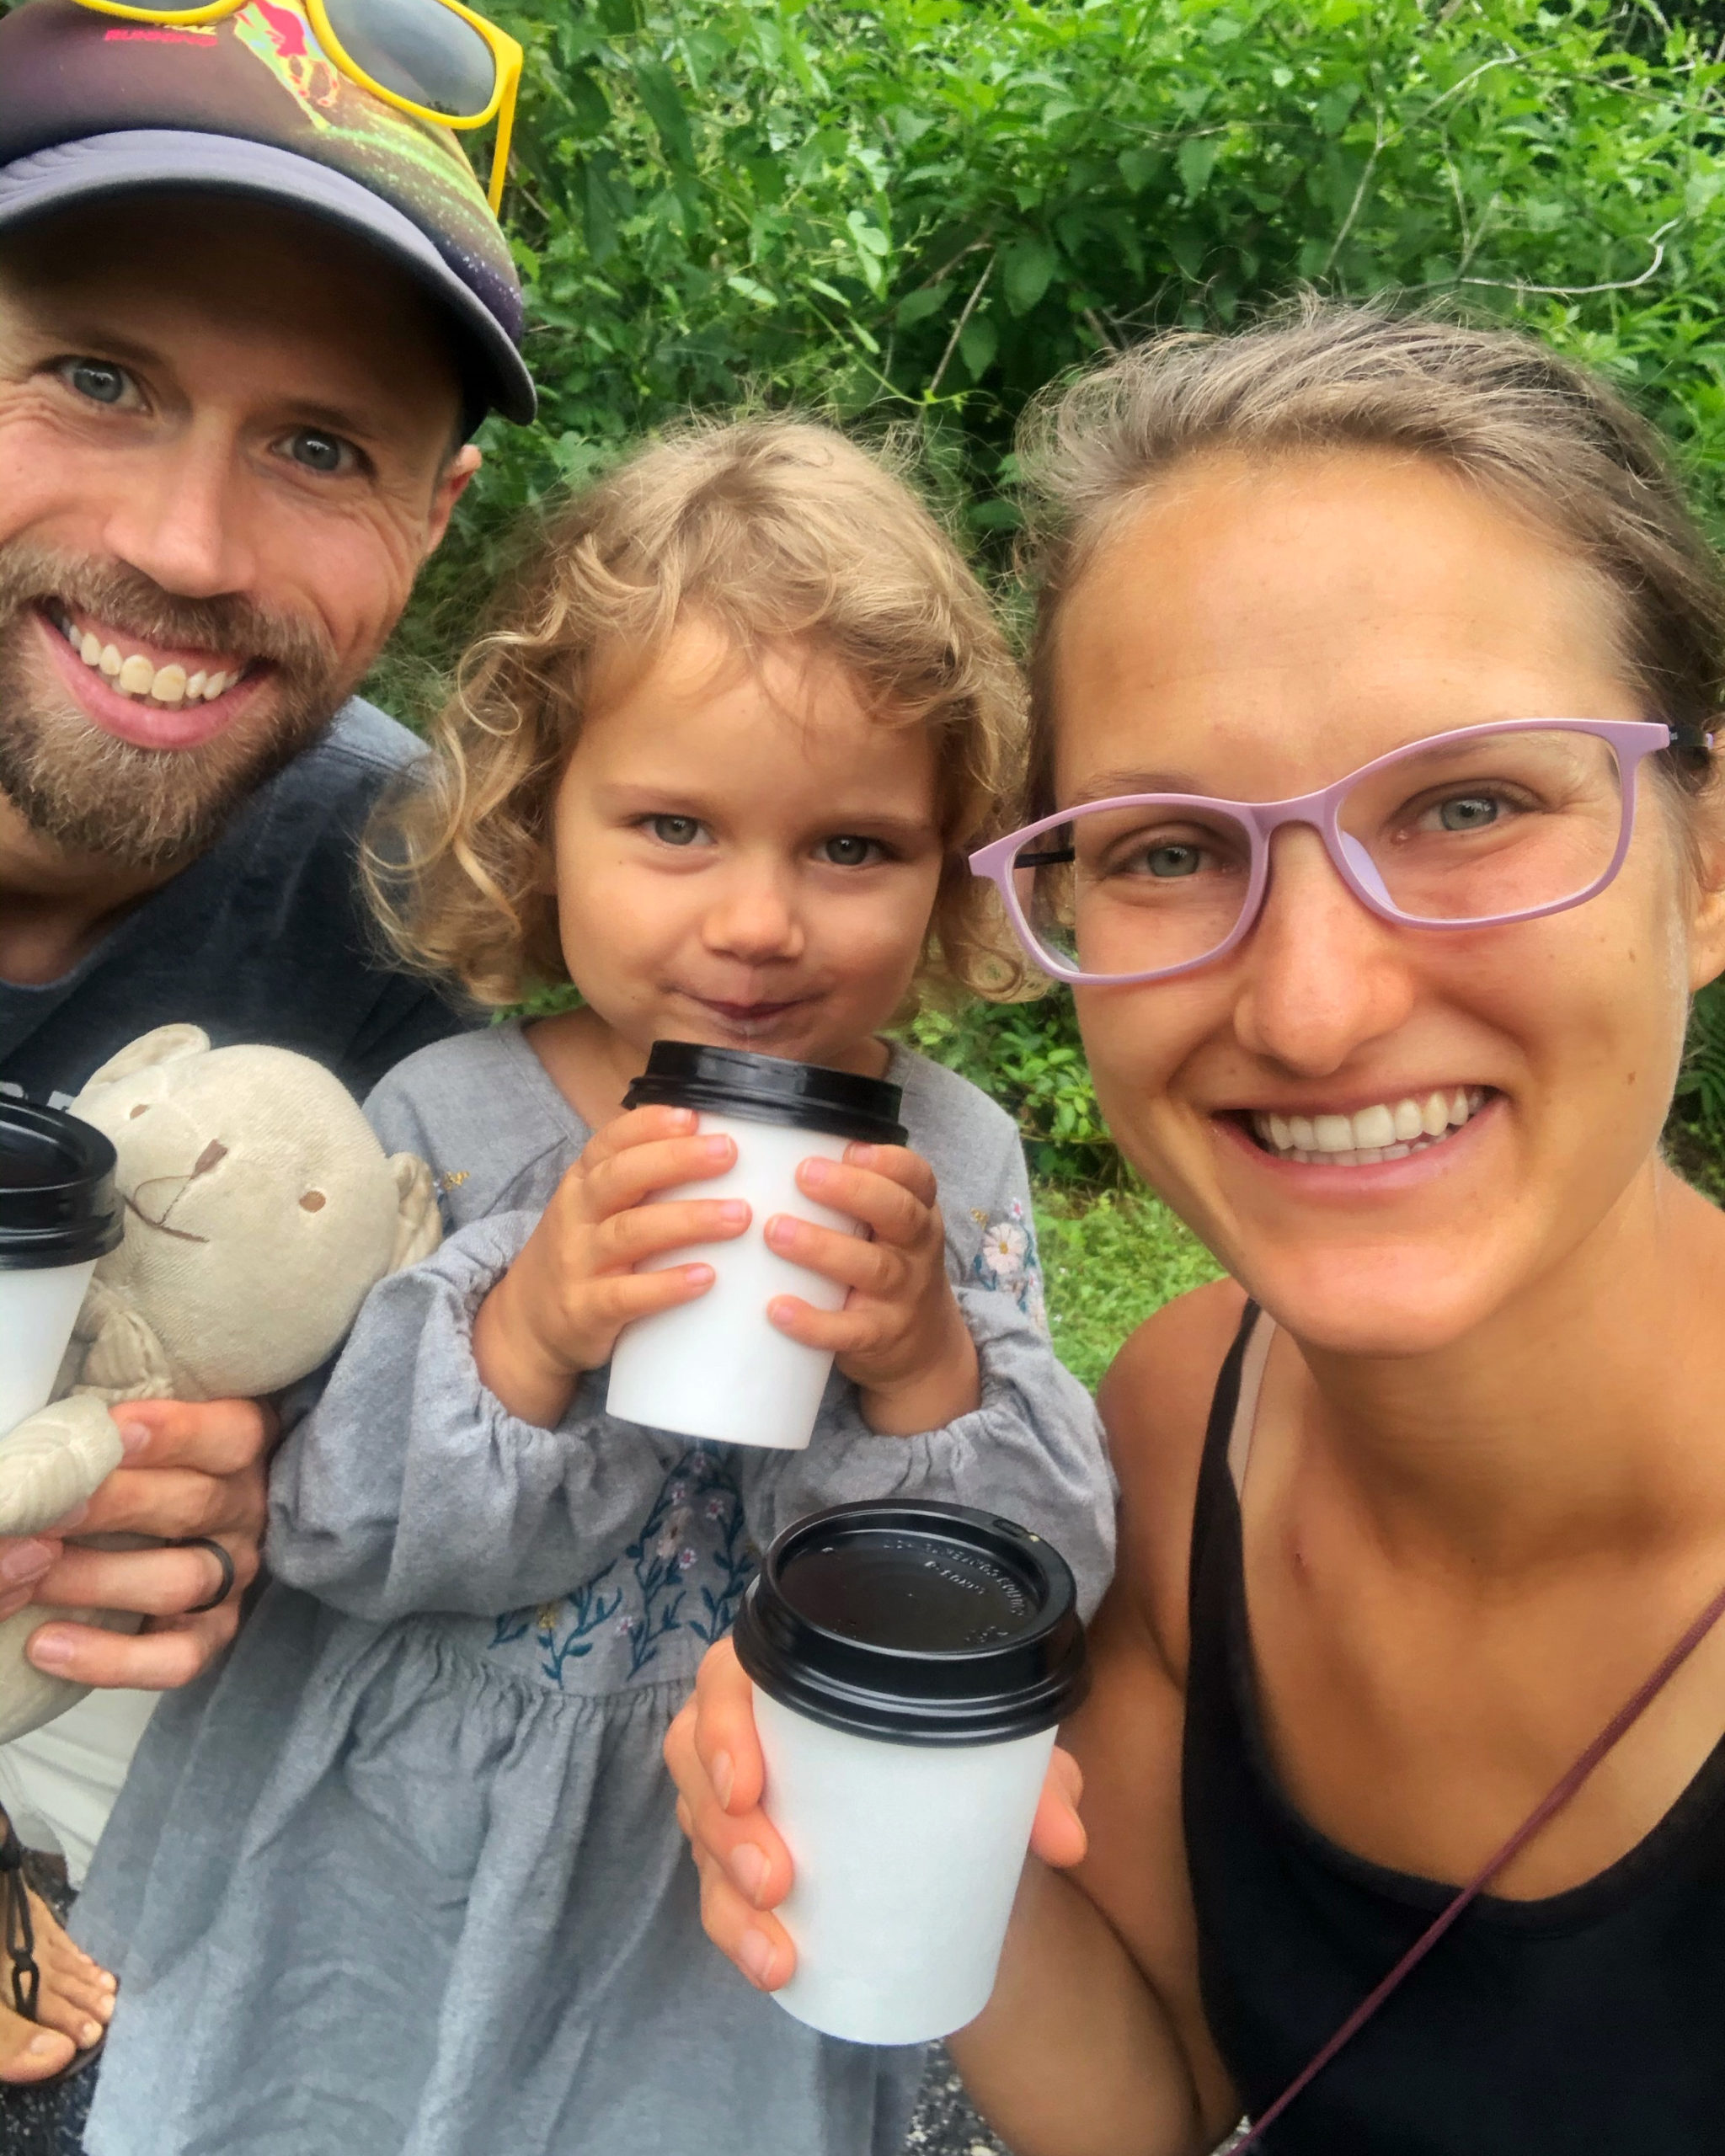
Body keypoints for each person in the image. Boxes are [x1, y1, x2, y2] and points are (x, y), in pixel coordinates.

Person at [670, 303, 1725, 2153]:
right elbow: (1163, 2109)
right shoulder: (1172, 1421)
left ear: (1704, 866)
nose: (1311, 1008)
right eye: (1167, 846)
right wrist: (908, 1819)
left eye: (1469, 802)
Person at [69, 418, 1117, 2156]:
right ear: (540, 819)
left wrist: (925, 1356)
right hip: (385, 1843)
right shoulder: (446, 1123)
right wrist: (530, 1325)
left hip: (713, 1861)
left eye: (852, 845)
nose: (761, 920)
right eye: (677, 826)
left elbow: (1035, 1580)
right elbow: (337, 1528)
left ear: (953, 859)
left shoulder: (952, 1164)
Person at [0, 0, 533, 2093]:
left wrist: (274, 1505)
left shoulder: (428, 919)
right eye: (98, 377)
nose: (188, 550)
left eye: (322, 445)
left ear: (436, 509)